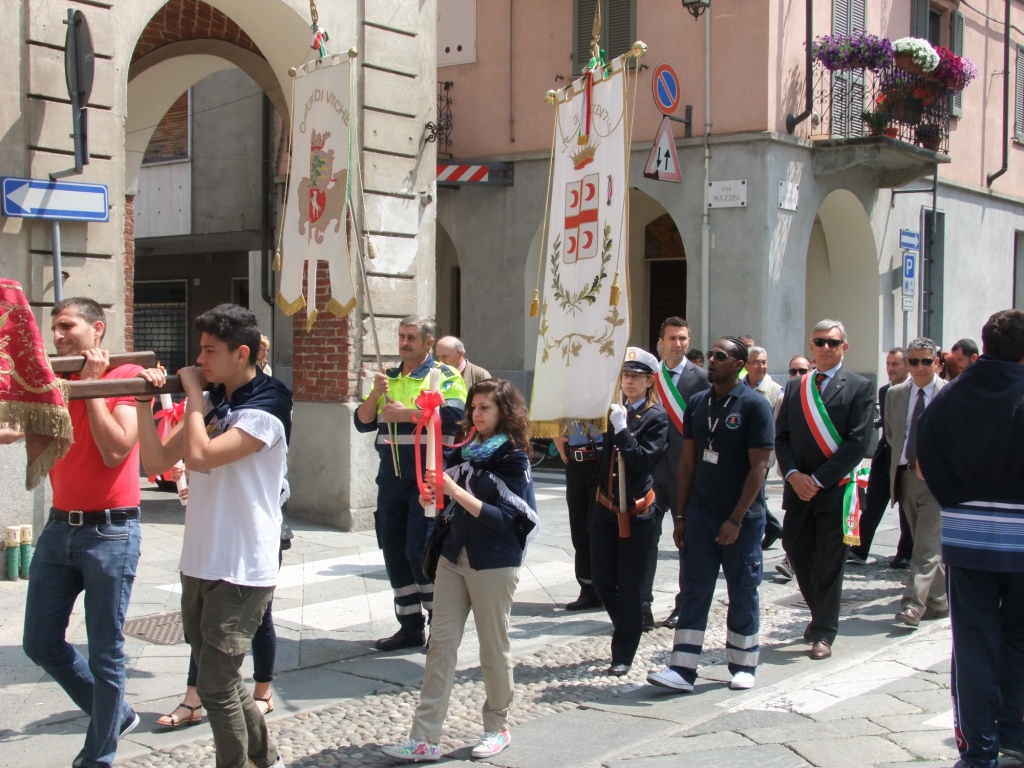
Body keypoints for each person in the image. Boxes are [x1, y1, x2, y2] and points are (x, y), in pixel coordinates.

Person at [135, 303, 292, 768]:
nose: (199, 359)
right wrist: (144, 405)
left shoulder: (267, 407)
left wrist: (192, 395)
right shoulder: (214, 400)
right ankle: (266, 759)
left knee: (217, 683)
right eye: (199, 350)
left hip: (243, 563)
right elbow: (156, 463)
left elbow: (200, 457)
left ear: (241, 353)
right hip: (201, 556)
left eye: (209, 351)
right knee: (216, 677)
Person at [8, 297, 143, 768]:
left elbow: (116, 450)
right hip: (59, 527)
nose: (58, 335)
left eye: (67, 326)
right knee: (40, 642)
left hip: (111, 532)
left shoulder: (125, 376)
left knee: (106, 651)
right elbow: (12, 427)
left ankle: (97, 758)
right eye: (54, 327)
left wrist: (92, 387)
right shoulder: (53, 380)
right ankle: (116, 715)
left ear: (96, 329)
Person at [381, 379, 539, 762]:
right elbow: (443, 492)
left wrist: (453, 491)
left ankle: (497, 726)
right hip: (454, 556)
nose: (476, 413)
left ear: (504, 412)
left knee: (492, 648)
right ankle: (425, 737)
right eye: (474, 407)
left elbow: (505, 518)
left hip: (495, 560)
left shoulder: (513, 457)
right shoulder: (463, 448)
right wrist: (432, 493)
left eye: (485, 407)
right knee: (440, 645)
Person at [917, 309, 1024, 768]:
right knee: (1018, 639)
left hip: (967, 537)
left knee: (973, 645)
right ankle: (1016, 735)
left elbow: (924, 461)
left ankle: (979, 750)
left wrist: (956, 500)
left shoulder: (951, 395)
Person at [647, 338, 774, 692]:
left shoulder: (754, 406)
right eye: (711, 355)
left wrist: (735, 519)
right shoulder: (698, 403)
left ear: (739, 365)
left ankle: (743, 664)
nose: (712, 360)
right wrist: (681, 516)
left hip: (741, 519)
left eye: (721, 356)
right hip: (701, 514)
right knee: (694, 589)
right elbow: (687, 463)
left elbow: (759, 468)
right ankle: (682, 668)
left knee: (742, 589)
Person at [355, 317, 468, 651]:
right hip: (391, 477)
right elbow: (363, 421)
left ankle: (438, 624)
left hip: (428, 477)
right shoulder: (388, 377)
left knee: (420, 550)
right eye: (401, 336)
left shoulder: (445, 375)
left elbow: (455, 417)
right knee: (393, 550)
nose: (404, 343)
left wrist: (406, 415)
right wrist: (376, 393)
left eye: (412, 337)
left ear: (428, 342)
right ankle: (409, 626)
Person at [775, 319, 874, 660]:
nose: (826, 348)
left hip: (834, 488)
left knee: (830, 562)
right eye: (820, 342)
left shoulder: (859, 386)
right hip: (798, 488)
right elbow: (782, 437)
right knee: (796, 549)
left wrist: (818, 480)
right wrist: (792, 474)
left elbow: (857, 442)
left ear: (844, 347)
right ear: (811, 346)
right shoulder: (795, 388)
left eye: (833, 342)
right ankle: (820, 614)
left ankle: (823, 632)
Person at [591, 348, 669, 676]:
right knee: (602, 580)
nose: (629, 381)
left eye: (637, 376)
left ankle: (623, 651)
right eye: (626, 375)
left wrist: (622, 429)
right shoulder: (615, 409)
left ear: (650, 381)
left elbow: (641, 460)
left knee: (630, 585)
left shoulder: (656, 417)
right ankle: (627, 623)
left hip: (637, 513)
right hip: (606, 508)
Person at [885, 338, 947, 628]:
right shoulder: (895, 394)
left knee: (924, 546)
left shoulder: (950, 393)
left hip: (938, 480)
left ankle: (913, 604)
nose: (920, 367)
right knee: (926, 544)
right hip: (906, 476)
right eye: (914, 361)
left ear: (936, 362)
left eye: (926, 361)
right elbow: (892, 435)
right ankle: (940, 600)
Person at [651, 318, 706, 630]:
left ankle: (684, 605)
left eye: (683, 338)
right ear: (661, 343)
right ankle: (641, 605)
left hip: (686, 473)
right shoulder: (649, 375)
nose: (678, 344)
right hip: (650, 471)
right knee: (645, 539)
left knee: (686, 542)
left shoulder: (702, 378)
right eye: (672, 338)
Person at [848, 348, 914, 568]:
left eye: (895, 364)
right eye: (888, 364)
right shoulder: (885, 391)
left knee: (906, 508)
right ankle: (858, 550)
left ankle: (905, 553)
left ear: (907, 365)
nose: (890, 369)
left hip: (905, 459)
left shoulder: (914, 390)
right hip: (885, 456)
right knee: (872, 503)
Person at [553, 419, 603, 610]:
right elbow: (551, 409)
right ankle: (588, 588)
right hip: (575, 461)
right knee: (579, 529)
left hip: (601, 459)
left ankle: (606, 586)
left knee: (598, 528)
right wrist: (556, 434)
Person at [775, 355, 815, 581]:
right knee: (794, 521)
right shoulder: (786, 396)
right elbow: (780, 435)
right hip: (793, 471)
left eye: (802, 371)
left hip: (820, 473)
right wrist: (789, 471)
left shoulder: (820, 396)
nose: (797, 375)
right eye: (793, 371)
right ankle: (790, 557)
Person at [742, 346, 784, 550]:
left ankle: (770, 528)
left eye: (764, 362)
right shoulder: (738, 386)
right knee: (747, 492)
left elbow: (780, 426)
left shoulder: (776, 392)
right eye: (756, 362)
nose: (761, 366)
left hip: (762, 454)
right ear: (746, 365)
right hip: (738, 452)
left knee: (755, 493)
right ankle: (772, 527)